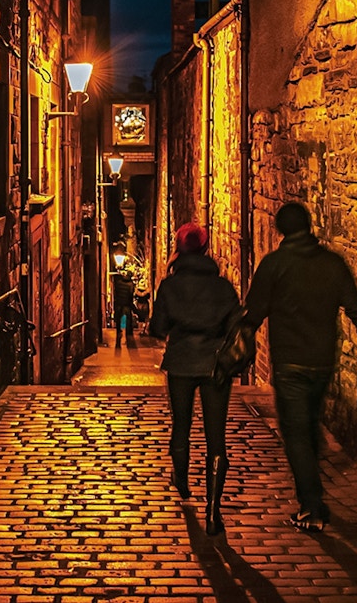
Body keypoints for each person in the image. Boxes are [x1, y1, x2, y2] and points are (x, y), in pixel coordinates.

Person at [237, 201, 357, 533]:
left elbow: (253, 313)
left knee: (296, 435)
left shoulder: (274, 264)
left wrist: (238, 342)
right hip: (322, 361)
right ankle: (313, 490)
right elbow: (356, 310)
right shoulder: (332, 264)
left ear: (280, 230)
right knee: (308, 424)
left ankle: (311, 505)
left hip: (289, 361)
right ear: (309, 225)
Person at [149, 223, 240, 535]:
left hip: (181, 363)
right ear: (204, 249)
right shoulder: (224, 288)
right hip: (215, 366)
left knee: (181, 426)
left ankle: (184, 485)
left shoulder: (169, 287)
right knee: (216, 437)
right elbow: (235, 329)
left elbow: (158, 328)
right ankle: (213, 511)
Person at [112, 269, 137, 348]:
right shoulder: (130, 284)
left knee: (119, 318)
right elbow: (130, 294)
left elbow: (116, 293)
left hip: (119, 303)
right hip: (126, 304)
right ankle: (129, 332)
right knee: (128, 318)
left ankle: (119, 331)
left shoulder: (118, 283)